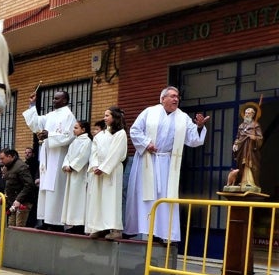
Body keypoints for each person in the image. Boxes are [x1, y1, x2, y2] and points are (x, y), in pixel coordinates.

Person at [124, 86, 210, 242]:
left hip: (166, 165)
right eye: (172, 96)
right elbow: (135, 130)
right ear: (162, 99)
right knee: (143, 195)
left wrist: (199, 127)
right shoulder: (149, 112)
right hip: (147, 160)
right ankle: (139, 230)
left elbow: (193, 140)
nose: (176, 99)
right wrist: (146, 143)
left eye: (177, 96)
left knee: (164, 196)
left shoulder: (182, 118)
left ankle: (162, 233)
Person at [22, 90, 76, 232]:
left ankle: (56, 221)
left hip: (59, 157)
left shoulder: (69, 116)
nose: (54, 101)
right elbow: (36, 124)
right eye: (53, 98)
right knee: (45, 187)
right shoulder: (51, 115)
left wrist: (49, 134)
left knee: (56, 189)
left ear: (65, 100)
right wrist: (32, 105)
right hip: (47, 155)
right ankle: (45, 219)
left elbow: (69, 136)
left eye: (57, 99)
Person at [85, 107, 128, 239]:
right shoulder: (100, 135)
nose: (105, 118)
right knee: (98, 199)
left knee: (112, 199)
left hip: (112, 170)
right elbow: (94, 152)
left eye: (107, 115)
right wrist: (95, 166)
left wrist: (103, 168)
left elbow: (116, 153)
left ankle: (115, 229)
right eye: (104, 115)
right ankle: (99, 227)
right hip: (98, 171)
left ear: (114, 117)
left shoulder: (120, 134)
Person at [60, 120, 92, 234]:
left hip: (80, 175)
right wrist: (65, 165)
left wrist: (72, 166)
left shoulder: (87, 141)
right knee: (71, 199)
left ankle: (80, 224)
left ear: (83, 130)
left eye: (76, 128)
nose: (73, 130)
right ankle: (72, 223)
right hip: (71, 175)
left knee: (79, 199)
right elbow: (68, 155)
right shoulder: (74, 142)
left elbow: (84, 156)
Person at [0, 148, 36, 228]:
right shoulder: (7, 167)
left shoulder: (21, 166)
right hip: (12, 203)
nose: (1, 161)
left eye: (2, 158)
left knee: (19, 227)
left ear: (9, 156)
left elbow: (29, 184)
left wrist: (19, 199)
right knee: (11, 226)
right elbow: (8, 185)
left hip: (23, 202)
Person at [232, 104, 263, 189]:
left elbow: (260, 137)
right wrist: (235, 144)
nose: (246, 115)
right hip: (242, 148)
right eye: (245, 113)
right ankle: (241, 181)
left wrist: (255, 138)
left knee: (250, 165)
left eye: (248, 113)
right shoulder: (241, 126)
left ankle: (251, 182)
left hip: (250, 149)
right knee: (241, 164)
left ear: (253, 115)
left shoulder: (255, 125)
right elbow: (238, 137)